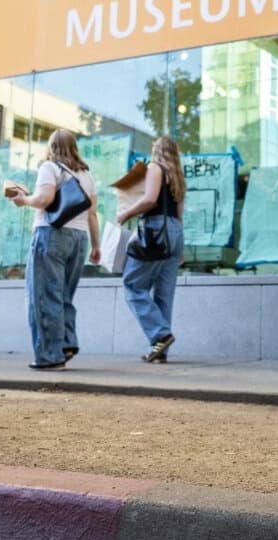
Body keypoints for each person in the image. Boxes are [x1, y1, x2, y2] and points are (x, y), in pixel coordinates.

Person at [10, 129, 100, 370]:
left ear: (51, 148)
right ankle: (66, 344)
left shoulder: (49, 168)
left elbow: (44, 200)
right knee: (63, 296)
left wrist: (24, 200)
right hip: (79, 239)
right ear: (74, 147)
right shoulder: (86, 175)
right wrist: (96, 245)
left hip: (51, 234)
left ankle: (50, 356)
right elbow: (92, 214)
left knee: (43, 297)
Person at [117, 136, 186, 363]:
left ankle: (160, 334)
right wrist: (180, 248)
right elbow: (179, 214)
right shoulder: (177, 176)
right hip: (174, 233)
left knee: (132, 285)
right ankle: (160, 350)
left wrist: (127, 213)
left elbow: (150, 199)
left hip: (155, 230)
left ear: (157, 151)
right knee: (164, 295)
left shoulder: (155, 168)